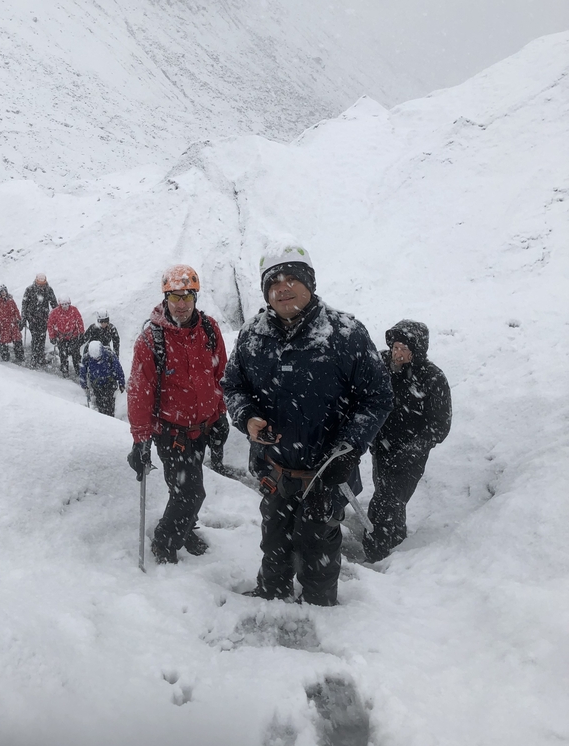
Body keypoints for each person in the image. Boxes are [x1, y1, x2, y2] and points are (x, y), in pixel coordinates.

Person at [222, 245, 393, 606]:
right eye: (274, 282)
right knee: (274, 538)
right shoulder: (252, 334)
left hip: (326, 473)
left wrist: (347, 449)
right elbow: (233, 385)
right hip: (275, 468)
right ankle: (272, 592)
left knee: (318, 545)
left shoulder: (345, 333)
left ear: (310, 283)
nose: (283, 288)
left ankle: (319, 607)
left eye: (292, 278)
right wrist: (247, 418)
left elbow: (377, 397)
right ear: (266, 291)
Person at [126, 264, 227, 564]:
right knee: (190, 493)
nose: (181, 304)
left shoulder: (209, 330)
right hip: (171, 434)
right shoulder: (151, 340)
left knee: (186, 490)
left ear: (195, 297)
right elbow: (139, 392)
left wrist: (219, 415)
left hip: (202, 429)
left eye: (186, 297)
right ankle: (165, 542)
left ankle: (184, 529)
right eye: (174, 298)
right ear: (165, 298)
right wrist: (140, 440)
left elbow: (218, 375)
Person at [362, 320, 452, 563]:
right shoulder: (381, 364)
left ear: (417, 351)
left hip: (411, 455)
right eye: (395, 347)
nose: (397, 353)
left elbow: (440, 425)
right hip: (381, 447)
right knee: (387, 497)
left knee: (386, 502)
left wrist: (414, 449)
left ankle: (376, 552)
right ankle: (394, 546)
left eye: (404, 349)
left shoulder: (432, 378)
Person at [21, 274, 58, 367]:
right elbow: (24, 304)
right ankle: (34, 357)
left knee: (42, 336)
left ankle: (40, 357)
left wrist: (57, 316)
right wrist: (24, 318)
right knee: (35, 336)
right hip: (32, 317)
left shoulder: (48, 290)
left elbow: (54, 303)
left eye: (43, 284)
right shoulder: (29, 290)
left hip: (44, 317)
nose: (41, 286)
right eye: (39, 284)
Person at [80, 340, 125, 415]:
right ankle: (103, 417)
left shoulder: (109, 355)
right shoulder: (86, 358)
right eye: (94, 358)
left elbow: (118, 369)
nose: (96, 360)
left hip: (110, 383)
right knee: (100, 403)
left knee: (109, 402)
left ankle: (111, 416)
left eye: (98, 358)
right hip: (96, 384)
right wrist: (83, 383)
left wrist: (121, 383)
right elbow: (82, 371)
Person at [47, 296, 84, 377]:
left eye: (67, 304)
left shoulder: (74, 310)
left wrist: (81, 332)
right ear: (60, 304)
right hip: (61, 338)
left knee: (76, 354)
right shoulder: (54, 312)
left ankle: (79, 371)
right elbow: (50, 325)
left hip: (73, 336)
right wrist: (52, 336)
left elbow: (80, 321)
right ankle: (65, 371)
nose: (65, 306)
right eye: (63, 304)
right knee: (63, 355)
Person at [0, 285, 24, 363]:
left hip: (13, 324)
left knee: (18, 340)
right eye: (1, 292)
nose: (3, 293)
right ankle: (5, 359)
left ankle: (20, 357)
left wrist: (19, 320)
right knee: (3, 343)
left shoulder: (11, 300)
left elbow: (16, 311)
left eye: (4, 291)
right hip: (2, 327)